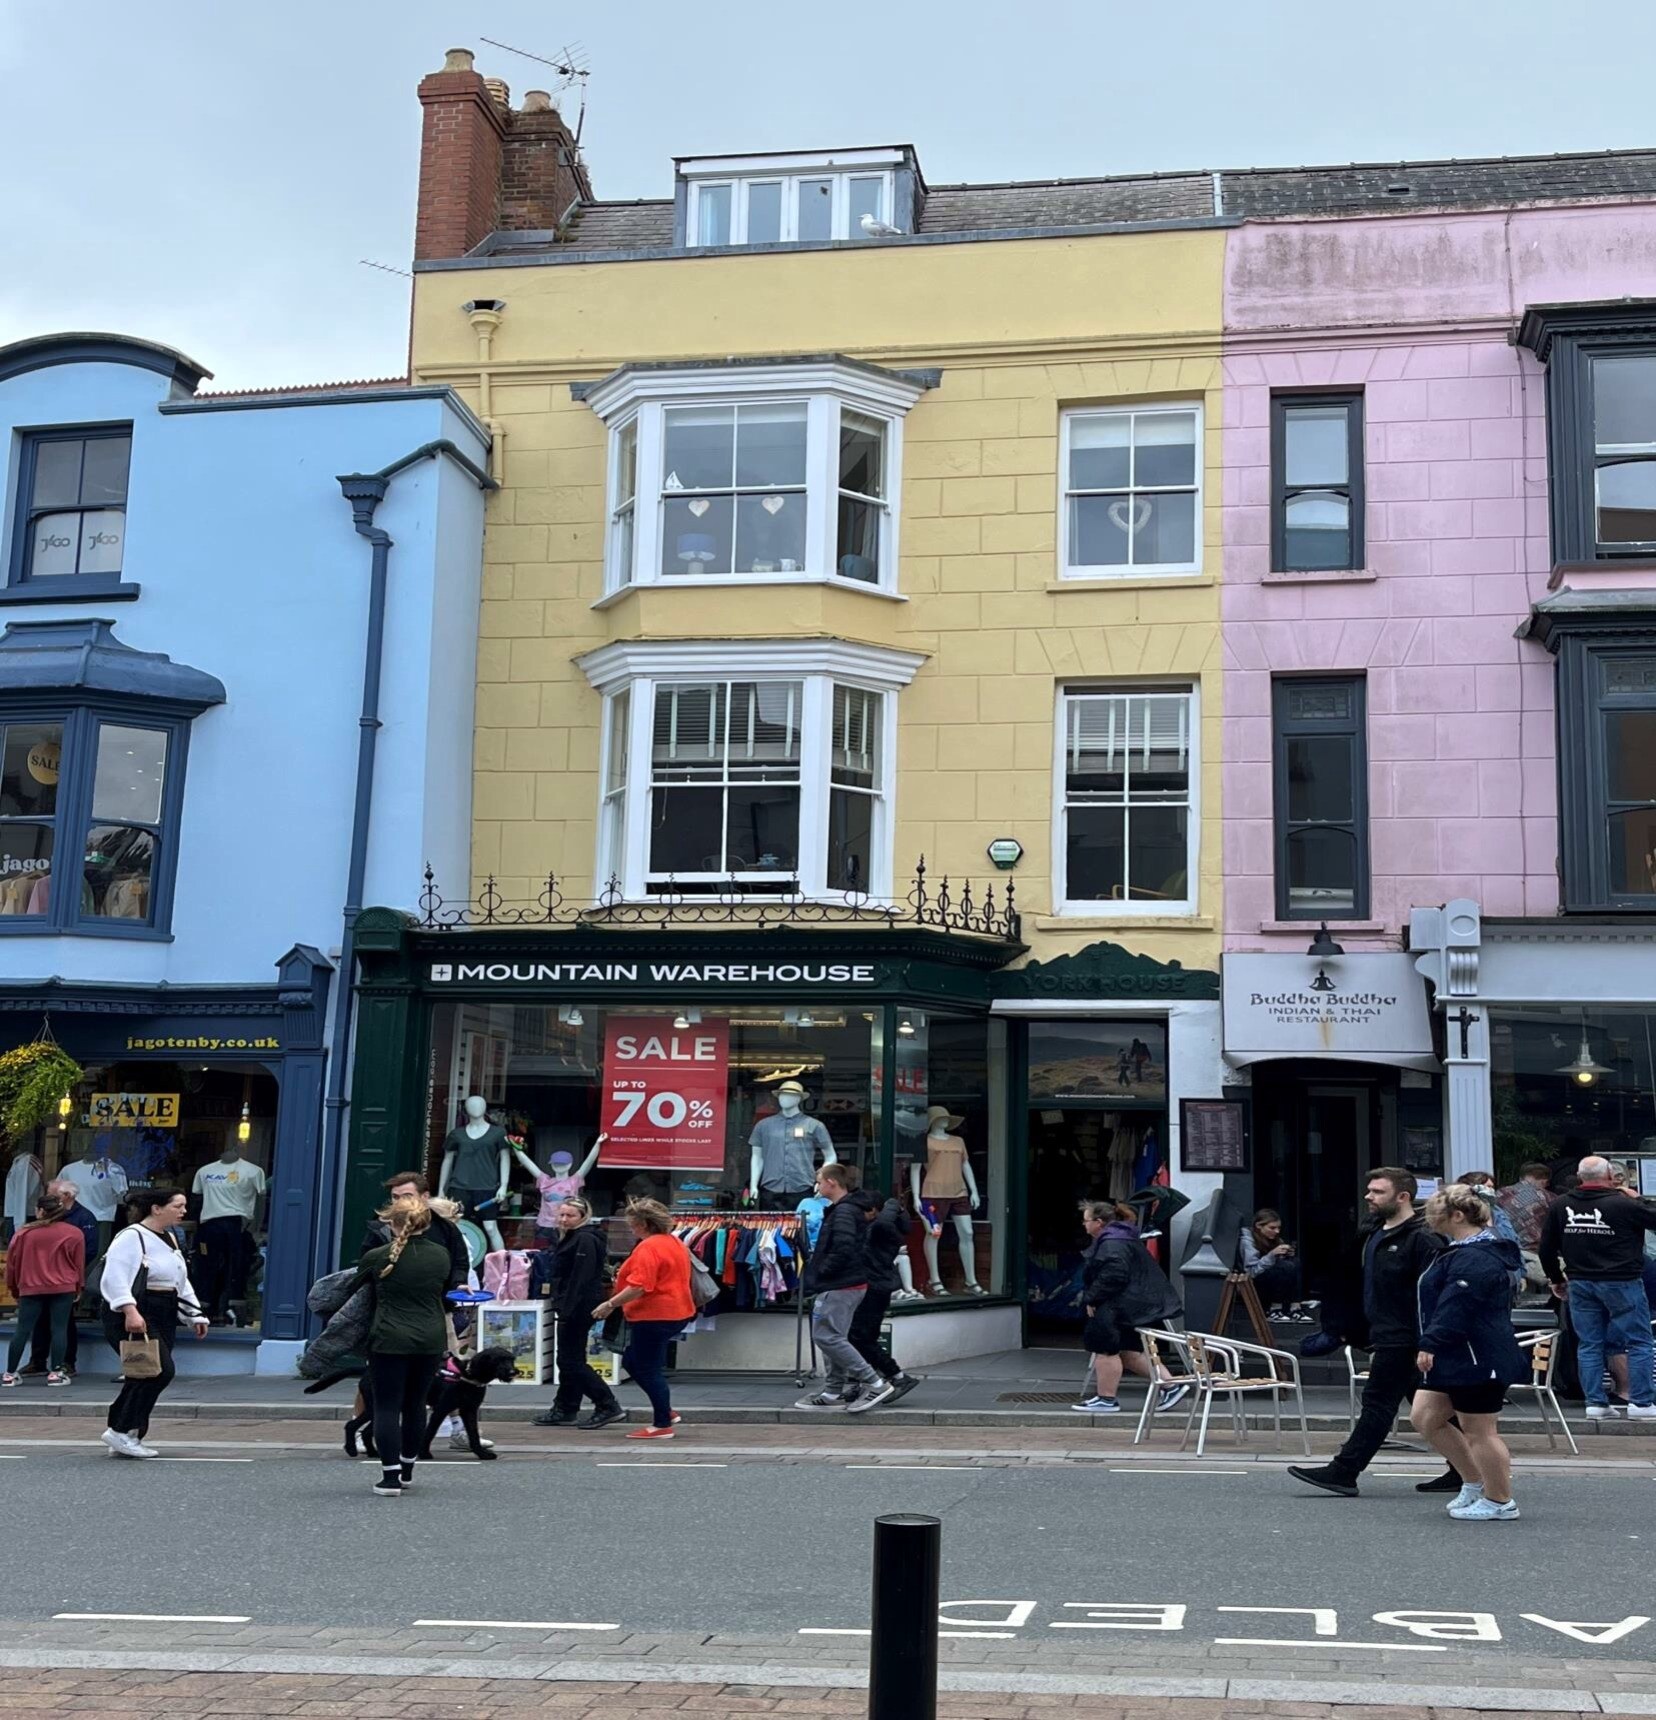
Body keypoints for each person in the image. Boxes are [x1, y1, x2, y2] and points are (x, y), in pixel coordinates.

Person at [1288, 1166, 1461, 1499]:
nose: (1368, 1196)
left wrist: (1430, 1339)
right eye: (1369, 1190)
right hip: (1383, 1332)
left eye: (1377, 1191)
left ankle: (1344, 1470)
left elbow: (1436, 1292)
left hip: (1407, 1336)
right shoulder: (1373, 1234)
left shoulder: (1423, 1238)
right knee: (1429, 1410)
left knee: (1378, 1403)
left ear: (1403, 1196)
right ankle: (1464, 1468)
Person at [1410, 1184, 1527, 1521]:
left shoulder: (1475, 1258)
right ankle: (1474, 1482)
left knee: (1480, 1431)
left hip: (1478, 1356)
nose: (1428, 1216)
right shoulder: (1461, 1251)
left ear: (1458, 1215)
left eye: (1435, 1209)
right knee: (1426, 1416)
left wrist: (1431, 1342)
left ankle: (1500, 1500)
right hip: (1459, 1353)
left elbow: (1457, 1306)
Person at [344, 1192, 453, 1495]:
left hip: (389, 1338)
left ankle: (389, 1476)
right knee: (416, 1404)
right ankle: (407, 1468)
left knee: (387, 1406)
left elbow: (353, 1289)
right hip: (430, 1337)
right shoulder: (440, 1255)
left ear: (392, 1223)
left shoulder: (378, 1256)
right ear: (426, 1222)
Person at [1540, 1154, 1656, 1420]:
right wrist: (1637, 1198)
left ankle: (1595, 1402)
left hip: (1580, 1282)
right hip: (1622, 1280)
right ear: (1609, 1177)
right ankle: (1641, 1402)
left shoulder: (1560, 1205)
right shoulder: (1623, 1204)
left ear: (1580, 1177)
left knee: (1589, 1343)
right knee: (1638, 1341)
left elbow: (1546, 1247)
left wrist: (1556, 1278)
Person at [98, 1188, 209, 1458]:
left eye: (184, 1206)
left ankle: (128, 1432)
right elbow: (115, 1277)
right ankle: (120, 1431)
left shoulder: (170, 1237)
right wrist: (130, 1311)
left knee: (143, 1371)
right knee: (157, 1371)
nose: (184, 1211)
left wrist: (194, 1315)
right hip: (135, 1311)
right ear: (156, 1208)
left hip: (163, 1311)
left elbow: (179, 1281)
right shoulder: (131, 1236)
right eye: (177, 1206)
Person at [795, 1163, 897, 1414]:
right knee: (835, 1336)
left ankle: (875, 1382)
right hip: (846, 1282)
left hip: (841, 1283)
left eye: (819, 1180)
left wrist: (822, 1271)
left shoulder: (843, 1212)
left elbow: (844, 1247)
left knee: (826, 1336)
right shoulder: (846, 1210)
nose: (817, 1186)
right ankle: (833, 1390)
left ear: (832, 1182)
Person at [1072, 1201, 1188, 1416]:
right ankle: (1171, 1386)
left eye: (1086, 1220)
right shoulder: (1122, 1237)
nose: (1083, 1225)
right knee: (1129, 1353)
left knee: (1106, 1349)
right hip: (1131, 1305)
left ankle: (1106, 1399)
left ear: (1098, 1223)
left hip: (1116, 1305)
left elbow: (1114, 1274)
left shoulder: (1112, 1243)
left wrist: (1092, 1298)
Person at [591, 1198, 694, 1440]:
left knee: (646, 1368)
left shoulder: (649, 1247)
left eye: (632, 1223)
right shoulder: (674, 1242)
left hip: (654, 1314)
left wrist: (609, 1304)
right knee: (635, 1361)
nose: (630, 1227)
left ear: (643, 1224)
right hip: (676, 1311)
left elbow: (640, 1286)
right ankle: (665, 1412)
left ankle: (662, 1423)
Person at [531, 1196, 624, 1431]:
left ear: (583, 1217)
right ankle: (565, 1407)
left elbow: (580, 1278)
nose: (564, 1219)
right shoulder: (573, 1238)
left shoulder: (584, 1239)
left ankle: (606, 1403)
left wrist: (567, 1308)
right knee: (570, 1358)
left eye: (569, 1215)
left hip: (578, 1306)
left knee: (569, 1360)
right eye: (561, 1215)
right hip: (573, 1304)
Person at [845, 1188, 920, 1404]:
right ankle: (866, 1381)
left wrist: (891, 1205)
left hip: (874, 1288)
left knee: (860, 1337)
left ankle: (895, 1377)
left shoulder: (881, 1229)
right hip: (875, 1287)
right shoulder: (883, 1231)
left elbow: (884, 1221)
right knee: (860, 1337)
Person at [3, 1195, 85, 1386]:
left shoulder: (24, 1233)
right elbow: (78, 1264)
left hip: (30, 1286)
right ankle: (56, 1372)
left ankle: (9, 1373)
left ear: (40, 1211)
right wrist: (79, 1286)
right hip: (63, 1286)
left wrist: (14, 1288)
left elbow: (12, 1265)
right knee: (59, 1329)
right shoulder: (74, 1233)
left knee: (22, 1329)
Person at [361, 1170, 469, 1289]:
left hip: (435, 1298)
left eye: (407, 1196)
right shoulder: (380, 1227)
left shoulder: (444, 1227)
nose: (400, 1202)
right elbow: (366, 1267)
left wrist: (458, 1283)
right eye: (395, 1197)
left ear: (425, 1197)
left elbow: (459, 1262)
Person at [1238, 1209, 1305, 1319]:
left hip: (1275, 1283)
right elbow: (1251, 1271)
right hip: (1256, 1284)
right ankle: (1275, 1309)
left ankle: (1295, 1306)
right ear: (1259, 1226)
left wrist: (1285, 1254)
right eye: (1272, 1228)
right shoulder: (1247, 1241)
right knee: (1283, 1267)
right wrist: (1272, 1255)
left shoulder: (1273, 1239)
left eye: (1278, 1228)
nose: (1277, 1231)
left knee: (1294, 1262)